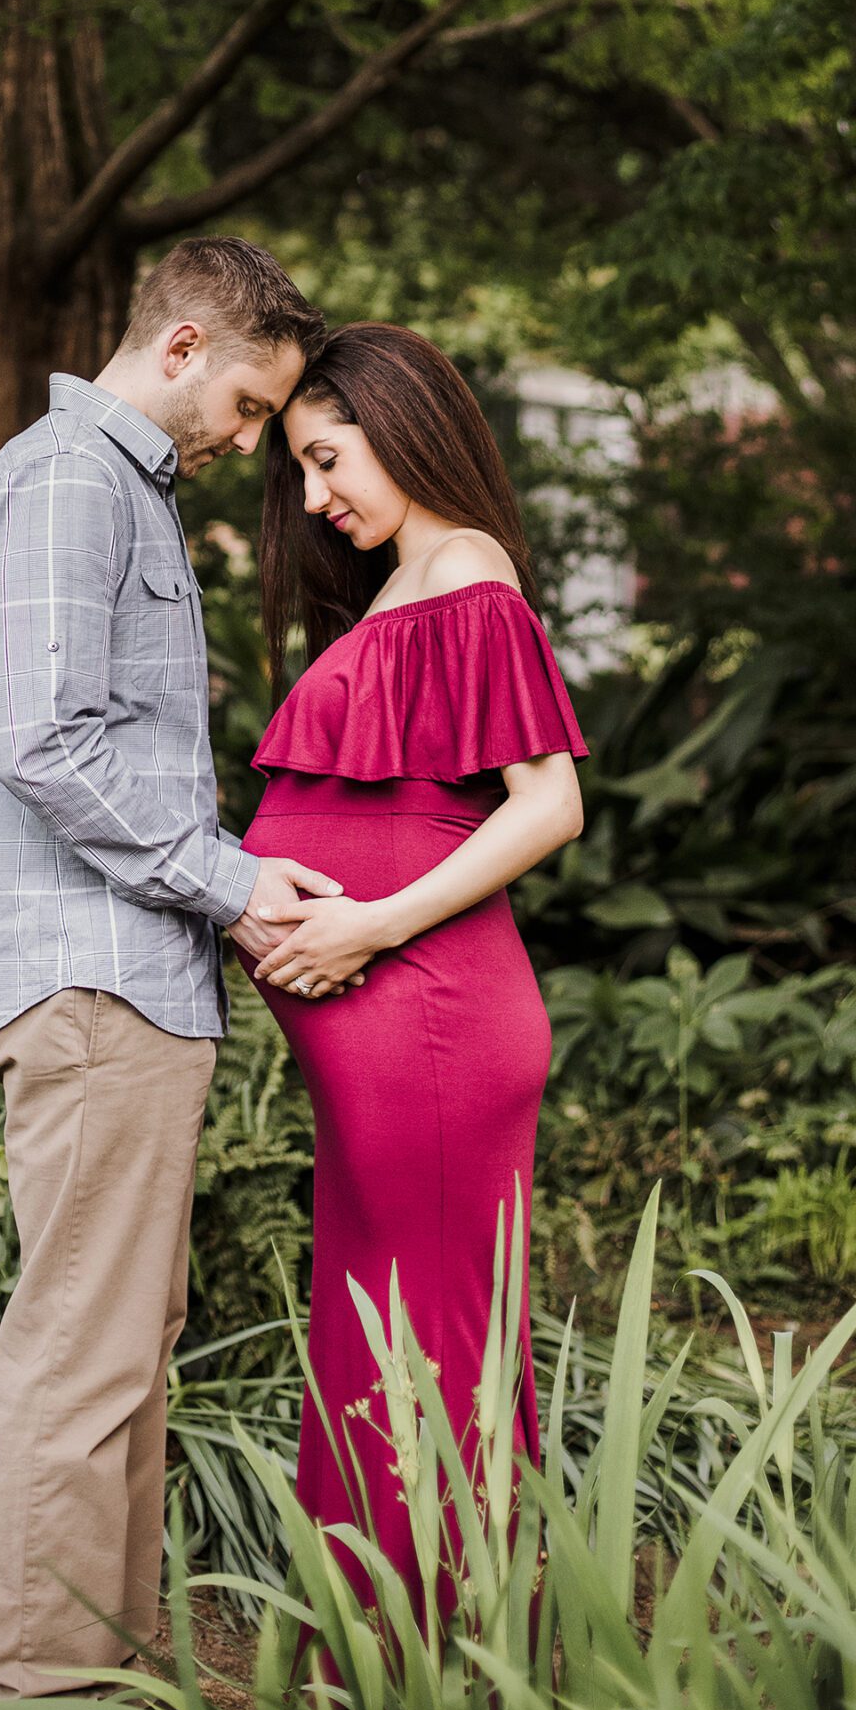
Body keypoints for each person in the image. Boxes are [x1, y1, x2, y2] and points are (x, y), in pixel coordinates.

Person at [0, 239, 344, 1710]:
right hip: (91, 975)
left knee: (124, 1349)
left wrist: (228, 879)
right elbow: (47, 744)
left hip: (133, 971)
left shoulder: (121, 490)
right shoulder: (69, 481)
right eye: (248, 405)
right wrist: (231, 884)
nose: (250, 441)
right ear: (180, 347)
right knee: (80, 1355)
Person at [237, 322, 587, 1609]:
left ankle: (445, 1685)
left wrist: (372, 924)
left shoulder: (466, 570)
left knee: (427, 1356)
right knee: (378, 1345)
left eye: (329, 458)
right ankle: (378, 1685)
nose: (318, 499)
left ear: (401, 419)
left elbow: (547, 805)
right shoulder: (403, 582)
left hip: (434, 1023)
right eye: (305, 471)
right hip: (391, 1046)